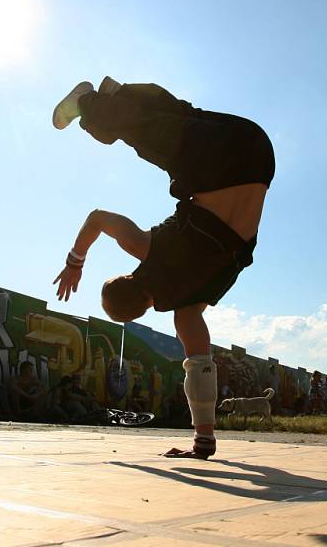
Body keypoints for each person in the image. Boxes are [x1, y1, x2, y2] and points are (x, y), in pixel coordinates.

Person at [51, 77, 275, 459]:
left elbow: (200, 367)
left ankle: (114, 94)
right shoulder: (144, 248)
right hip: (222, 155)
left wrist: (203, 439)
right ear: (126, 277)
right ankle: (92, 101)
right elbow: (97, 219)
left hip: (260, 160)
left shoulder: (188, 311)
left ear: (143, 309)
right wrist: (75, 262)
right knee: (149, 128)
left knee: (163, 128)